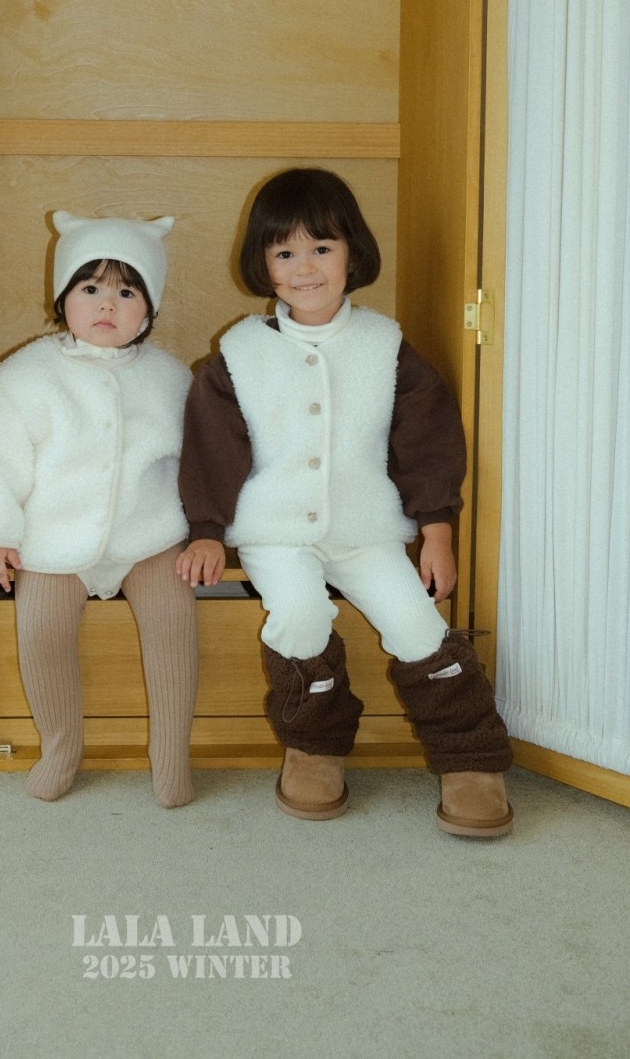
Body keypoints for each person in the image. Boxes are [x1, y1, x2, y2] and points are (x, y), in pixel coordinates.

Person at [177, 168, 513, 834]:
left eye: (322, 248)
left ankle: (470, 758)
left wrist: (438, 531)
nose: (304, 268)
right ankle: (314, 747)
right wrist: (207, 529)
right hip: (275, 533)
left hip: (367, 530)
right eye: (284, 252)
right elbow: (211, 450)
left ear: (352, 254)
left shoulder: (386, 347)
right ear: (263, 265)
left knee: (418, 627)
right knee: (300, 616)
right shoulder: (238, 355)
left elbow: (427, 442)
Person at [0, 211, 197, 808]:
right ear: (63, 297)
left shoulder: (171, 380)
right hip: (53, 540)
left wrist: (206, 531)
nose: (107, 305)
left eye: (127, 292)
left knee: (173, 626)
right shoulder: (23, 378)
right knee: (41, 632)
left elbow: (199, 461)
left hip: (149, 534)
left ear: (150, 308)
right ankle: (61, 747)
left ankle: (172, 757)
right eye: (90, 288)